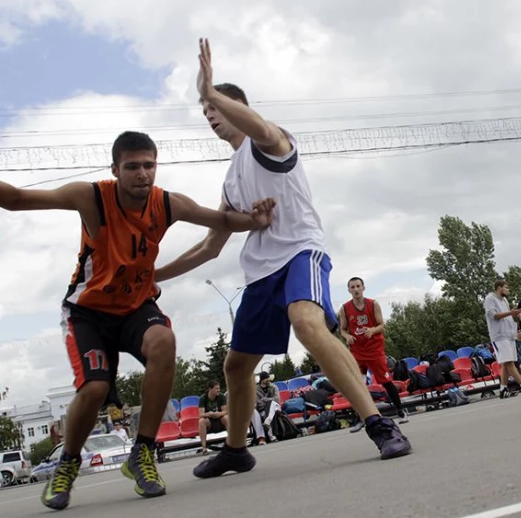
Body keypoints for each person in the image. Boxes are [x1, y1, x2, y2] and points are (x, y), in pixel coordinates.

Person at [0, 131, 275, 510]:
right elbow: (18, 198)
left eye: (149, 165)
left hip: (136, 307)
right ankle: (67, 464)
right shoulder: (91, 197)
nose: (142, 174)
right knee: (94, 390)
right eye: (132, 167)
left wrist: (252, 219)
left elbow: (221, 218)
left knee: (164, 342)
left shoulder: (167, 204)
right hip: (88, 312)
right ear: (115, 169)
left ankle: (141, 453)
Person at [154, 39, 411, 478]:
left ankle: (380, 424)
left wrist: (210, 90)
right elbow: (210, 246)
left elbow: (263, 129)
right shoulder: (232, 181)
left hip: (300, 253)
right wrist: (152, 275)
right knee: (236, 366)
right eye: (205, 112)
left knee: (306, 320)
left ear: (240, 108)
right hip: (261, 272)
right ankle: (236, 450)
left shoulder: (270, 143)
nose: (211, 116)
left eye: (217, 108)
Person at [339, 277, 409, 432]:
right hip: (357, 351)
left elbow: (382, 325)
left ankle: (400, 411)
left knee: (385, 381)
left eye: (358, 286)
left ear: (363, 287)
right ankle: (360, 418)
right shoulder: (344, 308)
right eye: (352, 287)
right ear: (349, 290)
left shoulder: (373, 304)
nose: (356, 289)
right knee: (359, 385)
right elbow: (343, 329)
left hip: (374, 349)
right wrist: (347, 336)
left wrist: (372, 330)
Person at [484, 279, 521, 398]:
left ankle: (503, 388)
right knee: (509, 362)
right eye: (506, 287)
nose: (507, 290)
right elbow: (494, 315)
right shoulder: (490, 299)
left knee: (505, 363)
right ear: (499, 288)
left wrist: (516, 314)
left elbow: (508, 315)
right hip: (499, 335)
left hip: (509, 334)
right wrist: (511, 313)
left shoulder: (504, 300)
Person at [198, 381, 229, 453]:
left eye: (219, 388)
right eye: (216, 388)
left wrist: (219, 414)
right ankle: (204, 447)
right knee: (201, 421)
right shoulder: (203, 398)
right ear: (210, 389)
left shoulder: (221, 396)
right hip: (209, 421)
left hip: (220, 419)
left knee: (226, 417)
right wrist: (208, 414)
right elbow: (201, 414)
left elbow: (225, 411)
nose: (218, 390)